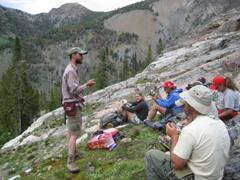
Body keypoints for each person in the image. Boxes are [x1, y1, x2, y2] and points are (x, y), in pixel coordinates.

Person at [144, 85, 230, 180]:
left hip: (196, 177)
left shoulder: (192, 129)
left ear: (192, 105)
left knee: (150, 155)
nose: (182, 106)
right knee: (169, 154)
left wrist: (174, 136)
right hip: (216, 175)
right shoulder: (220, 123)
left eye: (185, 103)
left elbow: (176, 164)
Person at [62, 47, 96, 173]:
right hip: (73, 104)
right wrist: (87, 85)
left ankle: (73, 151)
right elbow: (74, 90)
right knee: (75, 133)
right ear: (73, 55)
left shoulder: (72, 69)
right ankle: (70, 161)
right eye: (80, 55)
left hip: (71, 104)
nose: (82, 57)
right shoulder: (71, 71)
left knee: (72, 129)